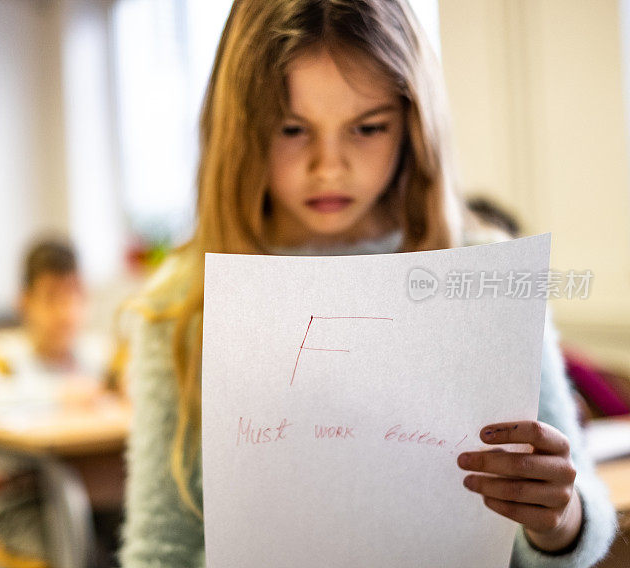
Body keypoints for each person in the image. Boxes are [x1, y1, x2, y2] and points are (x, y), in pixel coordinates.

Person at [117, 1, 617, 567]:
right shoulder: (183, 302)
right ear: (239, 129)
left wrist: (560, 520)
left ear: (413, 122)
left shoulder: (484, 274)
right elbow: (162, 548)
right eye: (291, 129)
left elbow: (566, 511)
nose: (329, 167)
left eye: (367, 127)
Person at [0, 237, 115, 563]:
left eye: (73, 296)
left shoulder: (98, 355)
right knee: (87, 553)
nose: (66, 312)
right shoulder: (2, 356)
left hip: (95, 498)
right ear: (24, 301)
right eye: (51, 299)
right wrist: (56, 396)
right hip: (21, 504)